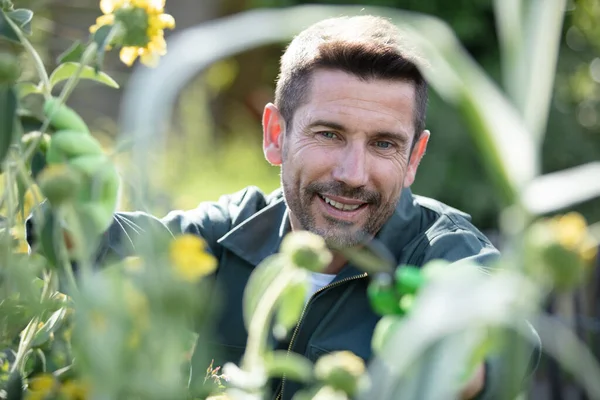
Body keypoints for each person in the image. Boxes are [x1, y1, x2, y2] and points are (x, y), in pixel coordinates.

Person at [29, 15, 540, 400]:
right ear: (276, 135)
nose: (352, 173)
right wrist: (74, 206)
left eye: (384, 144)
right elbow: (107, 252)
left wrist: (447, 350)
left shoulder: (443, 250)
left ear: (414, 158)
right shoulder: (231, 233)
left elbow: (509, 339)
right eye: (328, 134)